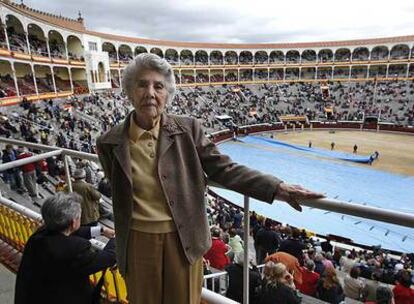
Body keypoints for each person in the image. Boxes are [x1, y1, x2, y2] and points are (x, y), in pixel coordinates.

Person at [96, 53, 324, 304]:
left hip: (183, 241)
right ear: (129, 91)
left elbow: (224, 168)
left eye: (158, 86)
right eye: (142, 84)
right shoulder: (109, 142)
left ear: (167, 94)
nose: (150, 92)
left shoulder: (188, 128)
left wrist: (276, 187)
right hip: (137, 241)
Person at [14, 192, 116, 304]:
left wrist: (101, 230)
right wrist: (117, 238)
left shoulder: (40, 235)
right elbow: (109, 257)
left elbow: (70, 233)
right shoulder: (75, 249)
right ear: (73, 223)